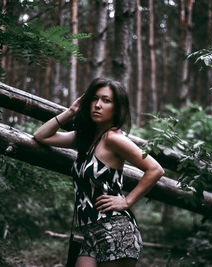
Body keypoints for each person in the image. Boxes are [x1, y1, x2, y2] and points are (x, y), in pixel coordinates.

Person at [33, 77, 164, 267]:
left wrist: (127, 201)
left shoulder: (114, 138)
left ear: (117, 108)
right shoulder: (86, 137)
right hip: (91, 235)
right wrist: (70, 112)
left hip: (116, 233)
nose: (98, 105)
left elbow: (155, 169)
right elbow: (41, 136)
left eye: (106, 100)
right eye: (94, 99)